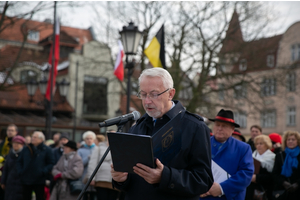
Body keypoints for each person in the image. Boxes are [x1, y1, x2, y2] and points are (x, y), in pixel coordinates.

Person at [111, 68, 213, 200]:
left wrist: (164, 177)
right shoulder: (137, 127)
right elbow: (133, 180)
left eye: (154, 94)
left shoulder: (195, 127)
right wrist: (121, 179)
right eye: (143, 94)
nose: (147, 101)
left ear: (171, 93)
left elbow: (203, 180)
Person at [200, 109, 254, 200]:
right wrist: (198, 187)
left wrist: (222, 188)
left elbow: (246, 174)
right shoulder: (202, 143)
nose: (220, 128)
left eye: (224, 126)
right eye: (217, 125)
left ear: (232, 129)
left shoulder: (243, 148)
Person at [17, 131, 55, 200]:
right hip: (26, 179)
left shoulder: (47, 150)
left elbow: (51, 163)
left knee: (39, 197)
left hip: (39, 180)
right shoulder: (26, 149)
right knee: (25, 197)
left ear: (41, 139)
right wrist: (21, 171)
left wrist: (43, 171)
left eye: (35, 137)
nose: (33, 138)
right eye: (32, 137)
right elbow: (19, 161)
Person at [87, 133, 119, 200]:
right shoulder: (99, 147)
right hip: (101, 179)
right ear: (106, 137)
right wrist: (92, 178)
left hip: (114, 180)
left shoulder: (119, 147)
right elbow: (92, 163)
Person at [245, 135, 275, 200]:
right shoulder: (250, 156)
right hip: (249, 189)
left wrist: (257, 178)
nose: (258, 145)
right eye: (257, 144)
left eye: (261, 143)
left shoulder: (273, 157)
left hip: (264, 189)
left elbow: (273, 176)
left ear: (267, 144)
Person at [272, 130, 300, 200]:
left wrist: (297, 184)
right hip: (284, 191)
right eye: (288, 139)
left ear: (298, 141)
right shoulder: (280, 155)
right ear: (285, 141)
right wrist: (283, 183)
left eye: (293, 139)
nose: (290, 141)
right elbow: (275, 173)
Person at [1, 135, 26, 200]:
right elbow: (5, 169)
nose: (16, 145)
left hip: (21, 183)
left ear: (22, 144)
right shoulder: (10, 155)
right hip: (10, 181)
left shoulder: (25, 155)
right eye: (14, 143)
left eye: (18, 143)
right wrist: (3, 181)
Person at [78, 131, 97, 200]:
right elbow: (80, 164)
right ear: (84, 140)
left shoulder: (97, 149)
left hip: (95, 177)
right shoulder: (80, 150)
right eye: (87, 138)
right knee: (84, 195)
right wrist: (88, 158)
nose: (89, 140)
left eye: (91, 138)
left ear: (93, 139)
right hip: (84, 177)